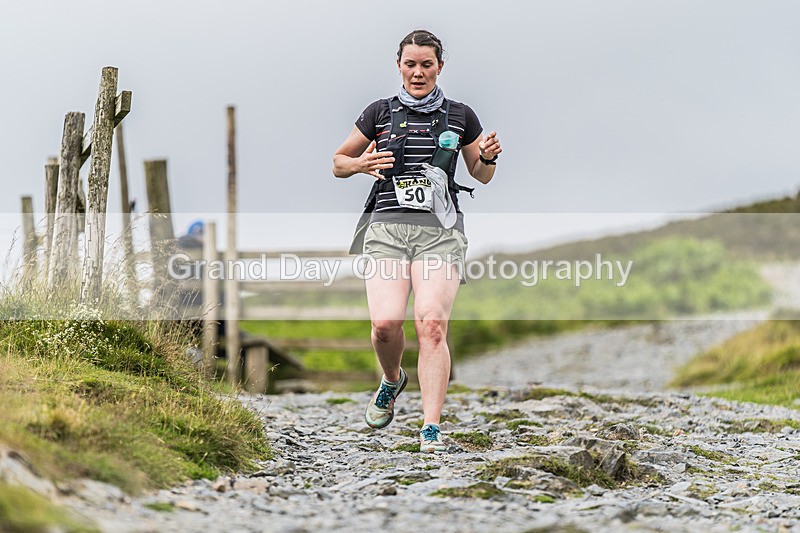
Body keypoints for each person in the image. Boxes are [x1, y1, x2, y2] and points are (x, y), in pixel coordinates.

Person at [332, 29, 502, 453]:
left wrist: (488, 157)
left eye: (427, 64)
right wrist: (359, 163)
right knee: (385, 325)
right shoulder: (379, 112)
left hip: (440, 234)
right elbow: (337, 162)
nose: (418, 72)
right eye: (411, 64)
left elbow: (480, 174)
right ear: (399, 66)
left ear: (439, 67)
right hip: (387, 229)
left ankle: (430, 428)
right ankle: (392, 380)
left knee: (430, 324)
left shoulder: (461, 115)